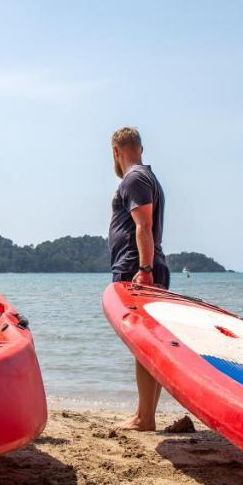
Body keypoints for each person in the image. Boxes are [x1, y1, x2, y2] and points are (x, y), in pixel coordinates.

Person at [108, 126, 170, 431]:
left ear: (115, 151)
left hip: (137, 267)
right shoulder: (147, 177)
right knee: (149, 344)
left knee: (143, 344)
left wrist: (144, 269)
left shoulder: (134, 178)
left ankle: (144, 417)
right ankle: (147, 415)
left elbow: (143, 225)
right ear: (141, 149)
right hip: (143, 265)